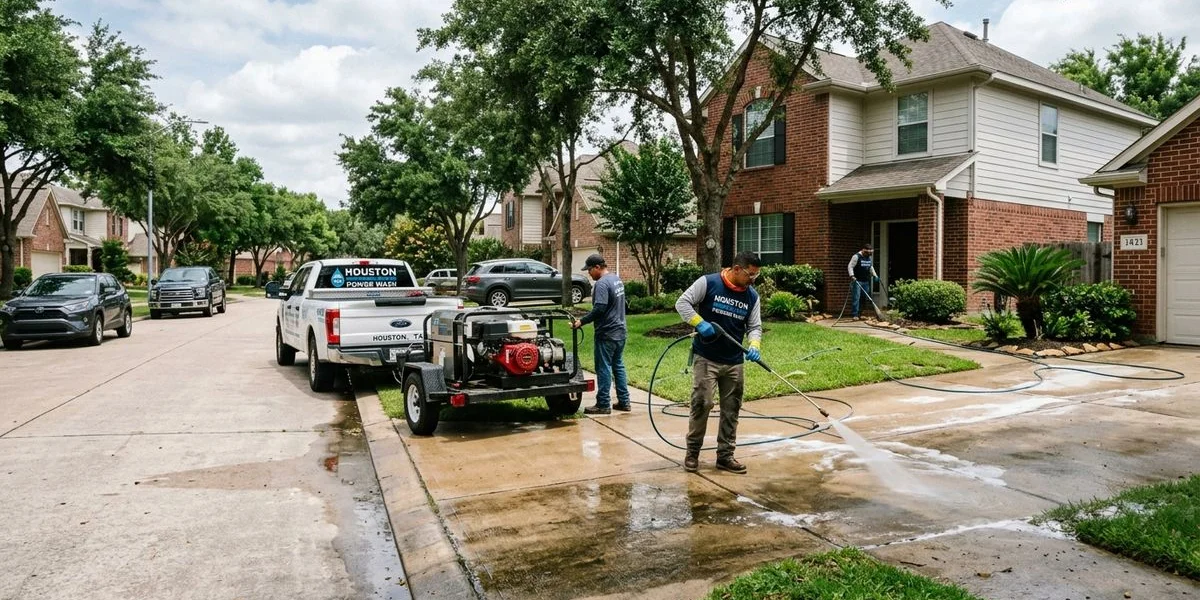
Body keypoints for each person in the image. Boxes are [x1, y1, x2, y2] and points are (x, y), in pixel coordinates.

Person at [673, 251, 763, 474]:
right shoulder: (709, 283)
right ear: (736, 269)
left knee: (732, 408)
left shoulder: (752, 296)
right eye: (750, 275)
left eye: (756, 276)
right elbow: (682, 303)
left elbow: (754, 327)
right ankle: (692, 453)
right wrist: (699, 322)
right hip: (707, 357)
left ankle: (725, 455)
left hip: (734, 361)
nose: (753, 280)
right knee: (702, 403)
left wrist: (754, 345)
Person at [573, 254, 630, 414]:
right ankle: (624, 401)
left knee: (603, 367)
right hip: (620, 331)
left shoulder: (602, 284)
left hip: (607, 333)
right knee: (618, 365)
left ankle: (603, 404)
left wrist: (581, 321)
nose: (589, 273)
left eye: (590, 270)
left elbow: (599, 309)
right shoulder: (616, 279)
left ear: (597, 267)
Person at [847, 243, 880, 320]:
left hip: (865, 281)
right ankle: (855, 314)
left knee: (863, 298)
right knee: (856, 297)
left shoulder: (868, 258)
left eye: (870, 253)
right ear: (863, 250)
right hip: (857, 281)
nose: (869, 254)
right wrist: (852, 276)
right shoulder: (856, 257)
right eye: (868, 253)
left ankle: (860, 313)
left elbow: (870, 267)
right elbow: (850, 266)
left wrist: (875, 275)